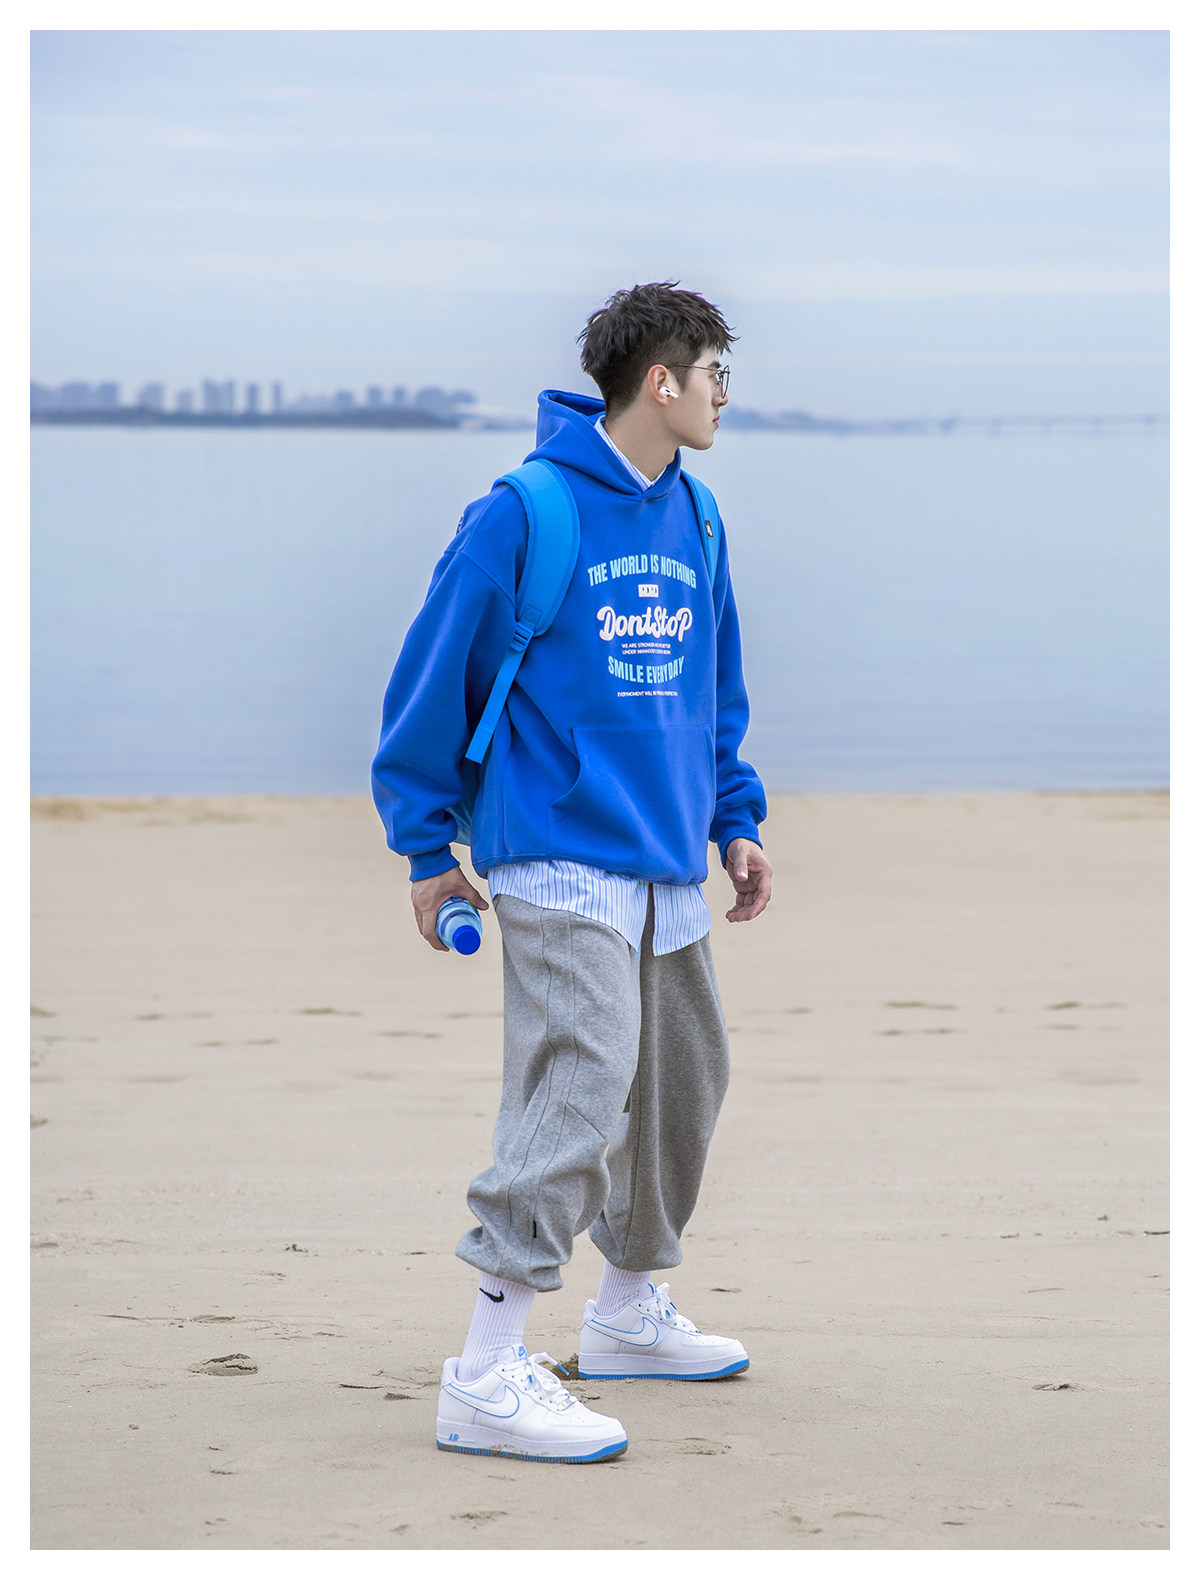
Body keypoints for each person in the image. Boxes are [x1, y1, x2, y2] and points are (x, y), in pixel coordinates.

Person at [372, 281, 772, 1464]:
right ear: (661, 380)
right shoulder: (524, 512)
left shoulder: (697, 515)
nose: (724, 395)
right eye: (715, 374)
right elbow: (431, 677)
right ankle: (487, 1370)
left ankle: (627, 1315)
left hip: (667, 860)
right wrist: (425, 848)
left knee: (685, 1083)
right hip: (553, 852)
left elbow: (713, 692)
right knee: (582, 1080)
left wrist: (735, 818)